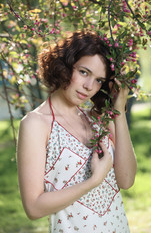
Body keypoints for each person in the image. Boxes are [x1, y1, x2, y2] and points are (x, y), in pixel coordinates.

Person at [17, 30, 137, 233]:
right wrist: (94, 181)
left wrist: (118, 111)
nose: (90, 86)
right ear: (64, 66)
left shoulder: (98, 117)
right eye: (84, 72)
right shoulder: (36, 124)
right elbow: (33, 208)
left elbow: (126, 180)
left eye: (99, 80)